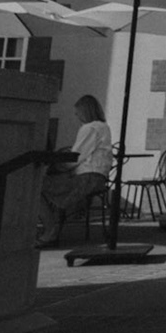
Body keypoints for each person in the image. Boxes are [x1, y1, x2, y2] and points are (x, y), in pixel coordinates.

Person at [38, 94, 111, 247]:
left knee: (36, 187)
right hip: (98, 177)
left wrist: (58, 165)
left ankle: (50, 230)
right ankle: (53, 225)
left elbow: (76, 157)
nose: (77, 116)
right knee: (49, 185)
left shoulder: (90, 128)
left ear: (85, 111)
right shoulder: (104, 127)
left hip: (87, 178)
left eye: (78, 113)